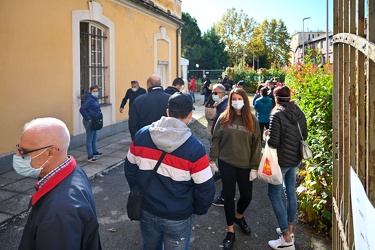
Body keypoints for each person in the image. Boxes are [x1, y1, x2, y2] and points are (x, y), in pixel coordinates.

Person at [125, 92, 215, 250]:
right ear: (190, 115)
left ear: (167, 112)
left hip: (147, 210)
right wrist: (196, 209)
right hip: (179, 215)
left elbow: (130, 170)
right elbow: (205, 187)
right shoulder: (195, 149)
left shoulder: (141, 135)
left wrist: (139, 190)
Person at [13, 117, 102, 249]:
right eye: (18, 148)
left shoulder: (59, 212)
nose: (17, 155)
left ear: (50, 152)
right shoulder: (74, 170)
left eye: (24, 152)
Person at [210, 88, 262, 250]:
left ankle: (239, 216)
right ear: (230, 100)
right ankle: (230, 231)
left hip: (245, 165)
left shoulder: (252, 120)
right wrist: (212, 159)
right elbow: (216, 138)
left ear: (245, 101)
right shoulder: (224, 118)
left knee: (247, 196)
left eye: (240, 98)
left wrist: (254, 166)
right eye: (234, 98)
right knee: (229, 196)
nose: (236, 101)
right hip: (227, 163)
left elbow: (256, 146)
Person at [266, 86, 308, 250]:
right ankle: (290, 230)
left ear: (276, 98)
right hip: (295, 159)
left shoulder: (277, 114)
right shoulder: (299, 111)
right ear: (290, 97)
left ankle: (286, 239)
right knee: (290, 192)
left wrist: (267, 136)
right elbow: (304, 135)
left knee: (273, 194)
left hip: (281, 161)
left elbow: (274, 142)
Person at [128, 74, 170, 140]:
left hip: (145, 139)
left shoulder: (139, 100)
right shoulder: (170, 99)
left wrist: (136, 140)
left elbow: (133, 124)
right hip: (166, 139)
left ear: (148, 84)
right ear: (160, 84)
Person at [210, 84, 229, 207]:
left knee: (226, 170)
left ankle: (225, 197)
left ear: (222, 93)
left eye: (215, 93)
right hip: (223, 143)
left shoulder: (224, 106)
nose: (213, 95)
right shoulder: (221, 104)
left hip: (223, 144)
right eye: (213, 93)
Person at [80, 85, 103, 162]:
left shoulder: (94, 99)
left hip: (95, 120)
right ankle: (90, 156)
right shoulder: (89, 99)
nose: (96, 92)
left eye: (97, 91)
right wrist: (88, 118)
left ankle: (94, 151)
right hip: (89, 121)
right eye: (94, 91)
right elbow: (82, 109)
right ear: (91, 91)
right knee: (89, 139)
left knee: (94, 136)